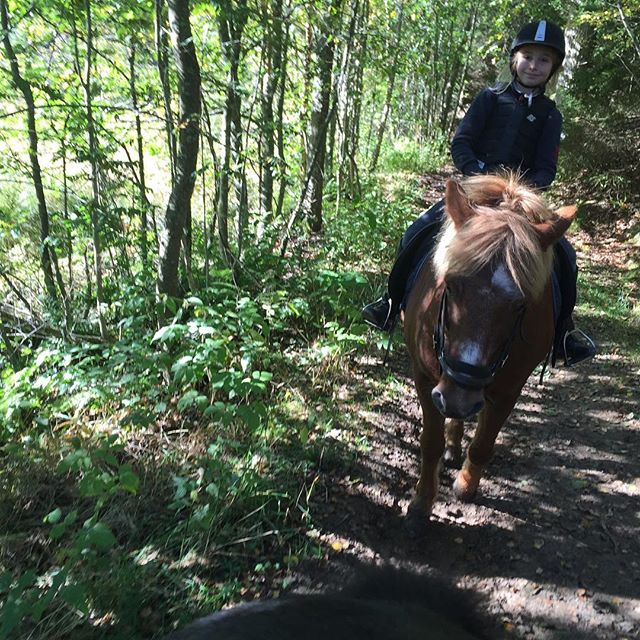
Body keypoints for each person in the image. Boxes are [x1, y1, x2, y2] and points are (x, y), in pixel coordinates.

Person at [362, 19, 596, 366]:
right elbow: (462, 143)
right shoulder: (490, 98)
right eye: (528, 56)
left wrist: (524, 193)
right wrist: (480, 176)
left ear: (554, 68)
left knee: (565, 256)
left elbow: (546, 168)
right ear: (514, 60)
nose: (534, 65)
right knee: (417, 231)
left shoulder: (551, 114)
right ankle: (390, 303)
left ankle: (563, 334)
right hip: (476, 194)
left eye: (543, 60)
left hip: (521, 205)